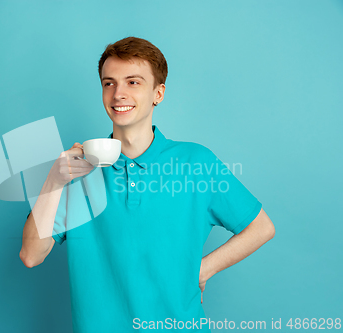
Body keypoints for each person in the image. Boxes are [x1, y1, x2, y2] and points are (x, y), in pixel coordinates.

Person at [19, 36, 275, 332]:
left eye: (133, 82)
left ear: (158, 93)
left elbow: (261, 227)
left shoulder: (196, 162)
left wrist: (203, 269)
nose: (118, 94)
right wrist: (54, 180)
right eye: (109, 83)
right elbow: (31, 255)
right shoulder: (78, 171)